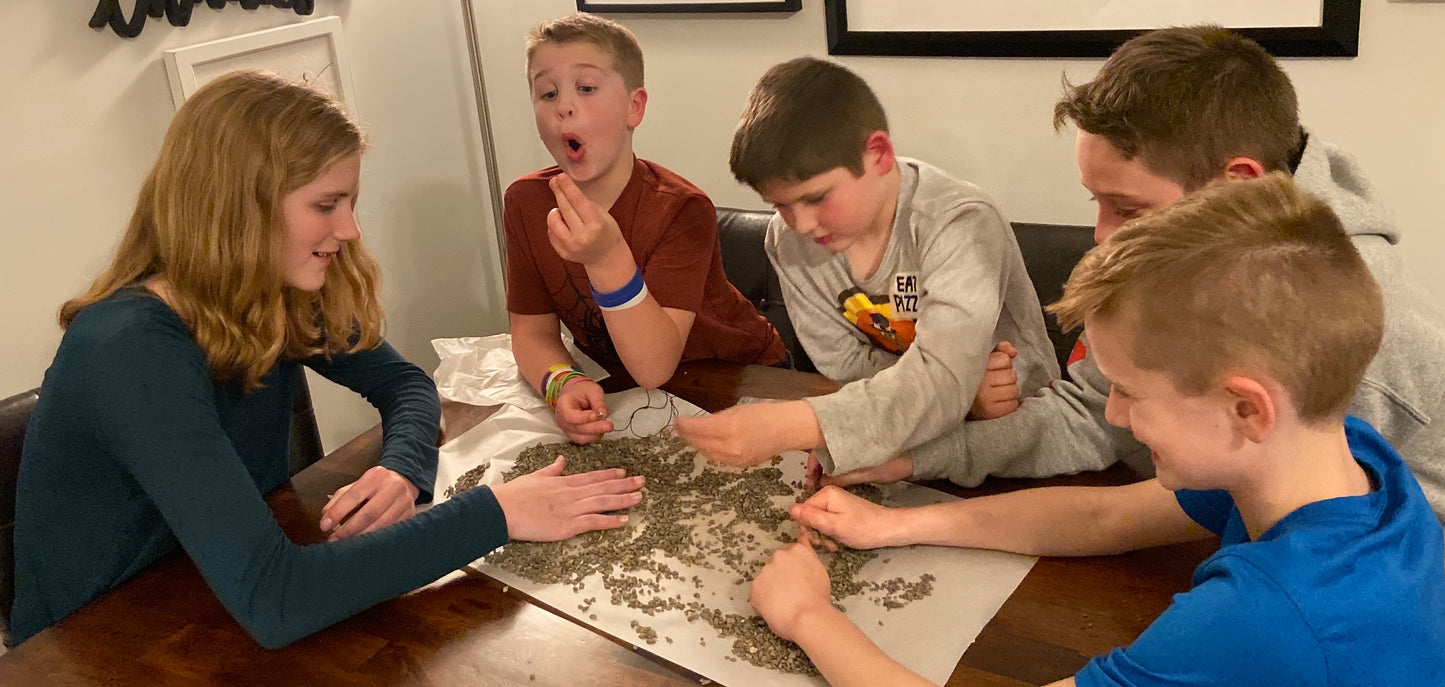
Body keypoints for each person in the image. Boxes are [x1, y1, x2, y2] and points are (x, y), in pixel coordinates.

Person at [11, 71, 645, 648]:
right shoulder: (130, 347)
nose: (350, 230)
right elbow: (276, 595)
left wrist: (402, 468)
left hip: (211, 598)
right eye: (325, 205)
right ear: (238, 208)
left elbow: (404, 385)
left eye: (350, 203)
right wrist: (500, 512)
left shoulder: (271, 291)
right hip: (102, 645)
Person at [750, 174, 1445, 687]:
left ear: (1246, 408)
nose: (1111, 414)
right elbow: (1107, 512)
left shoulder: (1263, 617)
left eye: (1130, 393)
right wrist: (892, 526)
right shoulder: (1347, 455)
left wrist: (809, 614)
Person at [826, 26, 1445, 523]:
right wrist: (917, 458)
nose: (1101, 234)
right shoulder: (1186, 255)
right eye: (1094, 202)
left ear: (1237, 184)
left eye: (1127, 210)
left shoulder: (1367, 334)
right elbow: (1092, 414)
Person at [676, 57, 1057, 476]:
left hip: (1018, 430)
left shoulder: (961, 222)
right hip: (898, 433)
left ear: (878, 154)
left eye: (816, 198)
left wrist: (952, 392)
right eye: (780, 205)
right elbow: (844, 366)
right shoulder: (787, 243)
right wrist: (959, 396)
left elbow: (946, 380)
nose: (800, 224)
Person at [504, 13, 785, 445]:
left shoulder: (682, 208)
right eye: (547, 92)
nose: (564, 105)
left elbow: (655, 366)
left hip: (739, 377)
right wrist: (563, 382)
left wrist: (605, 258)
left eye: (586, 88)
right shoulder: (525, 203)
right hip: (630, 390)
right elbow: (531, 332)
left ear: (634, 107)